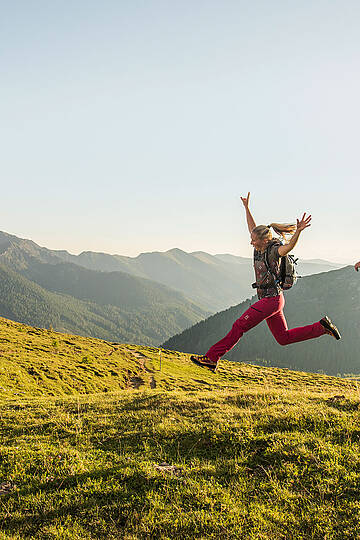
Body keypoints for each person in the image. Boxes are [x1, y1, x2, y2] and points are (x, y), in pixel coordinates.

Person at [190, 192, 341, 373]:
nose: (250, 242)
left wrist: (298, 232)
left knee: (239, 326)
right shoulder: (258, 247)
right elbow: (252, 227)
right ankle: (321, 327)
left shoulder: (273, 250)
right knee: (283, 338)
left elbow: (289, 248)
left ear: (264, 240)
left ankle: (211, 358)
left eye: (254, 240)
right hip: (272, 299)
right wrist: (246, 208)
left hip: (271, 300)